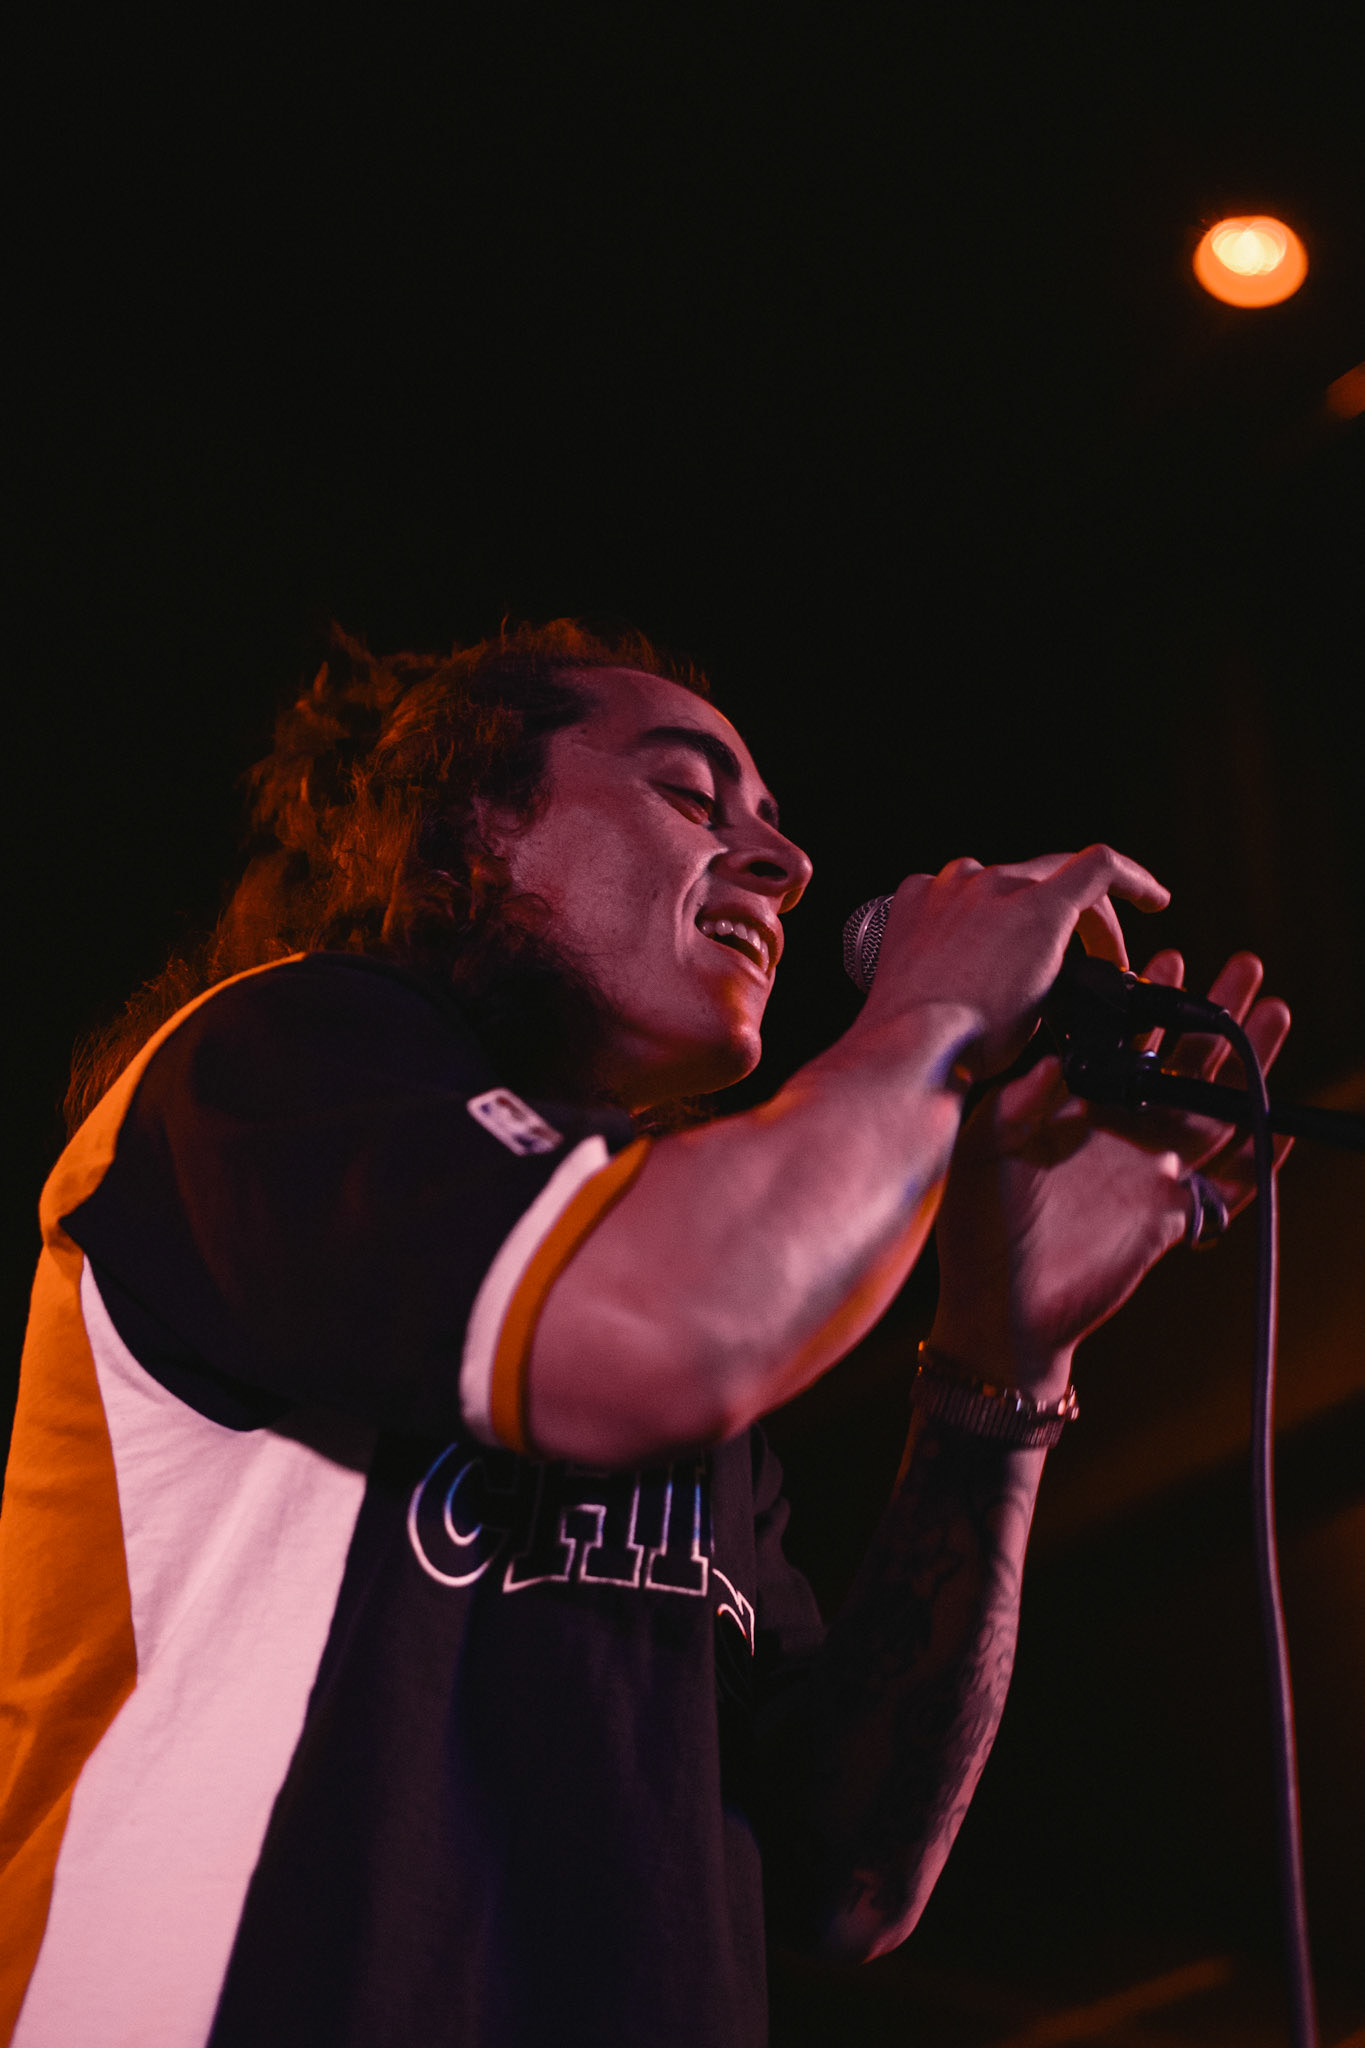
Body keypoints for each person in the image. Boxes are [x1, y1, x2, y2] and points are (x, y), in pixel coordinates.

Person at [0, 621, 1289, 2048]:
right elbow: (679, 1322)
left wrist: (1003, 1354)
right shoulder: (278, 1063)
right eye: (690, 793)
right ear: (475, 825)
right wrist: (931, 1012)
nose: (784, 862)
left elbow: (846, 1880)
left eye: (772, 821)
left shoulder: (666, 1297)